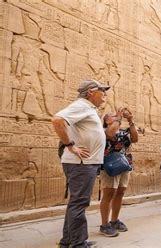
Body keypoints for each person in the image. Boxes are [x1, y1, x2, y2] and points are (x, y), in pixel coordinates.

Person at [52, 79, 110, 248]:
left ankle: (69, 240)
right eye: (102, 91)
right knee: (79, 202)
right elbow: (57, 120)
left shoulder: (88, 108)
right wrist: (71, 145)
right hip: (81, 163)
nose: (105, 94)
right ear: (91, 92)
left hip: (85, 163)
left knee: (76, 202)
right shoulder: (82, 105)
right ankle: (78, 243)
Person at [99, 108, 138, 237]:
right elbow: (110, 135)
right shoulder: (103, 131)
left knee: (120, 192)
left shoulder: (123, 132)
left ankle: (114, 220)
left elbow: (135, 138)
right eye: (112, 116)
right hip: (110, 165)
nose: (116, 117)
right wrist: (119, 117)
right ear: (106, 120)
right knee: (109, 194)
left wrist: (131, 121)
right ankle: (104, 225)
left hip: (125, 165)